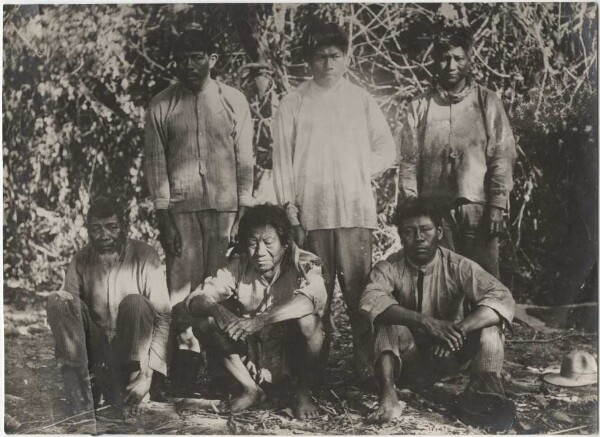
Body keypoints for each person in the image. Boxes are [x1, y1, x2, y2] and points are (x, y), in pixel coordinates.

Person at [272, 21, 396, 382]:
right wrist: (290, 212)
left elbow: (386, 149)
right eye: (320, 57)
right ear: (308, 61)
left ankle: (366, 367)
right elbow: (281, 163)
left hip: (355, 213)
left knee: (360, 293)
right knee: (315, 295)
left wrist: (358, 171)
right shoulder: (292, 103)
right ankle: (315, 369)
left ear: (347, 58)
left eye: (335, 56)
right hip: (311, 216)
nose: (327, 64)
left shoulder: (360, 100)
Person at [144, 25, 254, 385]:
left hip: (225, 213)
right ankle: (186, 367)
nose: (189, 65)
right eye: (182, 59)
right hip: (181, 211)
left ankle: (227, 370)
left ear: (212, 59)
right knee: (181, 291)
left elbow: (245, 161)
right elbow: (156, 163)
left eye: (197, 57)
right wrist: (164, 217)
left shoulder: (233, 99)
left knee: (221, 289)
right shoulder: (162, 104)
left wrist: (243, 214)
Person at [359, 199, 515, 426]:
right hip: (409, 360)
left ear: (439, 232)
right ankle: (388, 396)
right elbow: (370, 299)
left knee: (490, 327)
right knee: (386, 319)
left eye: (426, 230)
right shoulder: (390, 266)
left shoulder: (458, 265)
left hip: (452, 352)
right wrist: (426, 323)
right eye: (410, 232)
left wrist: (459, 329)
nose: (419, 238)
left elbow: (502, 297)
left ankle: (482, 394)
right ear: (401, 237)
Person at [173, 204, 326, 419]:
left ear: (285, 243)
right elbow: (194, 300)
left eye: (268, 242)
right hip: (252, 354)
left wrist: (261, 320)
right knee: (203, 321)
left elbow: (313, 299)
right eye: (253, 243)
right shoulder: (239, 263)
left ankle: (302, 393)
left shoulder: (306, 262)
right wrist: (216, 309)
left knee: (309, 322)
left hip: (289, 356)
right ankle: (250, 390)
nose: (260, 251)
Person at [397, 26, 517, 279]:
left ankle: (494, 320)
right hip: (434, 212)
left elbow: (502, 155)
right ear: (434, 60)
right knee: (442, 282)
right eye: (444, 58)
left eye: (458, 58)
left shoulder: (487, 101)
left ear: (469, 60)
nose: (451, 65)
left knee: (484, 282)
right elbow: (408, 161)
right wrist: (411, 205)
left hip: (478, 209)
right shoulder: (419, 106)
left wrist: (497, 204)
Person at [46, 196, 171, 414]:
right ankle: (84, 388)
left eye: (112, 227)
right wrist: (72, 377)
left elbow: (163, 317)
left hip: (135, 360)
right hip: (98, 357)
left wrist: (148, 376)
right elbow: (67, 315)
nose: (104, 236)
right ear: (88, 230)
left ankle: (135, 390)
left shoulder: (145, 256)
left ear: (125, 226)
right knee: (59, 301)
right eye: (96, 229)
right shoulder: (81, 259)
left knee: (136, 303)